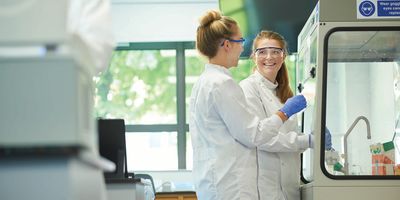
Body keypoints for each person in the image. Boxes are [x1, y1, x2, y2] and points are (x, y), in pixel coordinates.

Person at [189, 11, 312, 200]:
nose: (242, 48)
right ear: (227, 45)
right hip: (231, 187)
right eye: (240, 41)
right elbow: (255, 135)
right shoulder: (221, 84)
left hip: (223, 185)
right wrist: (285, 114)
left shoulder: (208, 81)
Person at [239, 30, 331, 200]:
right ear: (254, 56)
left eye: (275, 51)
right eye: (262, 52)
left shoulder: (284, 93)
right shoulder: (248, 88)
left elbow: (289, 137)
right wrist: (308, 141)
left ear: (283, 56)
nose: (269, 57)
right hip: (264, 189)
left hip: (289, 188)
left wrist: (310, 137)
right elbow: (261, 138)